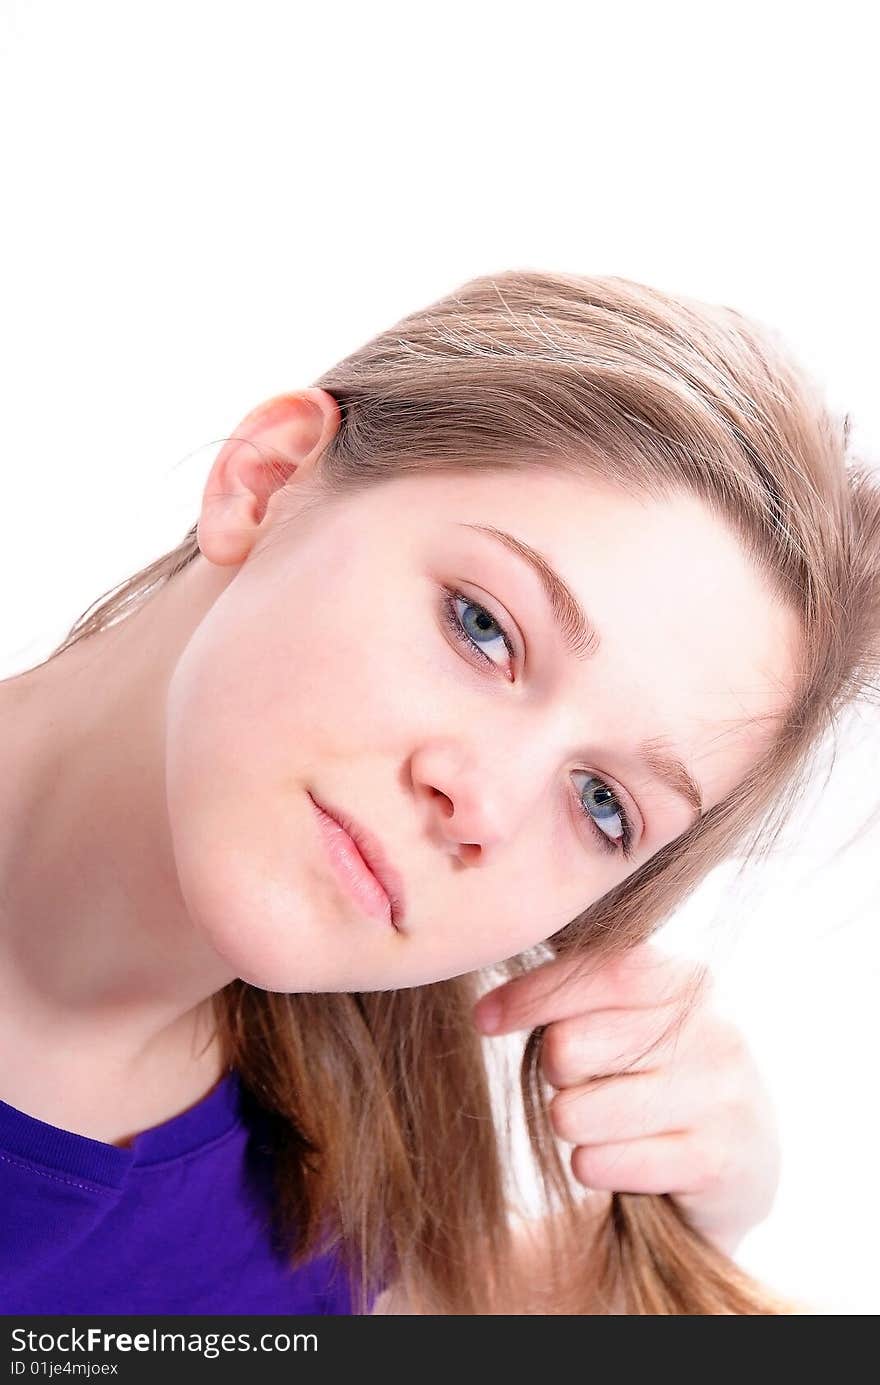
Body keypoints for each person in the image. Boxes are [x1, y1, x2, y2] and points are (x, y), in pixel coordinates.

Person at [0, 270, 877, 1315]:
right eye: (483, 627)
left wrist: (682, 1221)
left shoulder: (328, 1185)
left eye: (601, 801)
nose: (485, 805)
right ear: (267, 480)